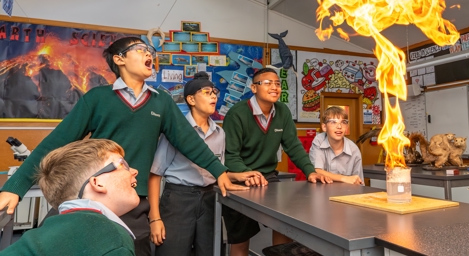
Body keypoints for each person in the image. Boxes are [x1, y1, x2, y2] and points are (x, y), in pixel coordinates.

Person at [0, 37, 248, 255]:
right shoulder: (97, 98)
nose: (149, 54)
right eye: (140, 49)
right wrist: (16, 186)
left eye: (151, 50)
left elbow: (190, 141)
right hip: (90, 197)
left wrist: (220, 172)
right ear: (119, 59)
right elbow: (53, 145)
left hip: (134, 202)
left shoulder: (162, 102)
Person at [148, 72, 266, 256]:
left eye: (214, 92)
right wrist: (154, 218)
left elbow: (218, 172)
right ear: (191, 99)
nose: (213, 96)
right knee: (173, 251)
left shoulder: (220, 133)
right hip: (178, 200)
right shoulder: (175, 131)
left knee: (210, 251)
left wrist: (240, 175)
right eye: (206, 92)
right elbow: (155, 175)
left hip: (210, 198)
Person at [222, 67, 330, 256]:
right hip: (239, 179)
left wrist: (310, 171)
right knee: (240, 239)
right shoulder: (236, 114)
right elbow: (230, 155)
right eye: (268, 83)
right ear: (254, 88)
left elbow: (294, 146)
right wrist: (247, 174)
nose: (274, 87)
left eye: (277, 83)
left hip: (268, 178)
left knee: (283, 225)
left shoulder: (282, 111)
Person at [2, 139, 139, 255]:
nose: (134, 171)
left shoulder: (44, 234)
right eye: (122, 165)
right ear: (97, 183)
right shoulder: (112, 240)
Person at [309, 106, 364, 184]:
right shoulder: (319, 141)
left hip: (346, 194)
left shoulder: (354, 149)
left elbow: (357, 181)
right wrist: (344, 178)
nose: (339, 126)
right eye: (333, 122)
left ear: (347, 127)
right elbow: (317, 171)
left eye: (343, 122)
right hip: (322, 192)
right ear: (324, 127)